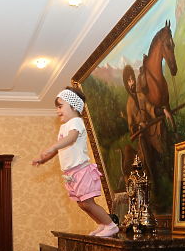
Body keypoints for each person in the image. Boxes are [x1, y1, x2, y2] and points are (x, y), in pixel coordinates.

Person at [32, 86, 119, 237]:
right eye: (57, 107)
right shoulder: (63, 127)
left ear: (73, 106)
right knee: (82, 204)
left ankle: (111, 225)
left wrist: (52, 146)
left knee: (88, 202)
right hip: (70, 174)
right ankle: (102, 223)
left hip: (81, 170)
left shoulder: (76, 121)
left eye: (60, 106)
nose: (57, 111)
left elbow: (71, 138)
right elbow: (60, 148)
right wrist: (44, 159)